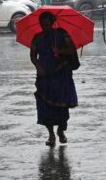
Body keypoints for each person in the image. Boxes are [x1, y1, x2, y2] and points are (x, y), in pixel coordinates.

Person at [30, 11, 78, 147]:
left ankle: (61, 131)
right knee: (44, 107)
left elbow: (72, 49)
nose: (44, 27)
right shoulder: (37, 38)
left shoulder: (62, 34)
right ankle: (51, 134)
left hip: (61, 75)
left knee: (62, 107)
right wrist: (38, 67)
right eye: (42, 24)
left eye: (47, 24)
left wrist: (60, 51)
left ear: (51, 22)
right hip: (44, 77)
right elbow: (33, 56)